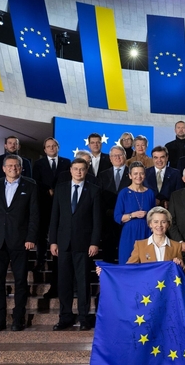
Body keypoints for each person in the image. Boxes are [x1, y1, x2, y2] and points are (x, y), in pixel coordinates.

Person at [96, 206, 183, 365]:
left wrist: (181, 264)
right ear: (150, 224)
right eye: (156, 222)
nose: (159, 225)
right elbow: (128, 269)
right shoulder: (140, 245)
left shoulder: (175, 246)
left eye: (163, 222)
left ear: (168, 225)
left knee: (164, 339)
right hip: (145, 304)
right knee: (144, 340)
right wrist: (107, 272)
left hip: (166, 304)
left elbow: (180, 276)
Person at [0, 154, 39, 332]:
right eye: (10, 166)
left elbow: (34, 215)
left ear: (21, 168)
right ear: (4, 168)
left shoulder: (30, 186)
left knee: (21, 281)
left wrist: (31, 238)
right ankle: (0, 319)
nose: (13, 168)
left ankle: (18, 319)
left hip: (21, 242)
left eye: (16, 166)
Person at [49, 158, 102, 331]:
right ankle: (65, 317)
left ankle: (84, 317)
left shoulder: (93, 190)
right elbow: (54, 217)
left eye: (82, 169)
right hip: (63, 243)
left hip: (84, 244)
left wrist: (94, 242)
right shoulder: (61, 188)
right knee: (64, 282)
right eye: (75, 169)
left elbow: (97, 220)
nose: (79, 172)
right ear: (70, 170)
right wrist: (53, 241)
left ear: (86, 171)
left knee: (83, 282)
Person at [32, 137, 71, 272]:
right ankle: (40, 261)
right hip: (44, 202)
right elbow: (35, 181)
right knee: (42, 234)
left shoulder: (66, 162)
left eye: (54, 146)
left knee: (60, 232)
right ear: (44, 149)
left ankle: (59, 260)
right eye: (49, 146)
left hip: (61, 203)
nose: (52, 148)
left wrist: (57, 191)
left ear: (58, 147)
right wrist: (48, 190)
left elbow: (68, 180)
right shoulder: (38, 163)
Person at [114, 161, 156, 265]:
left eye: (141, 173)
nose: (138, 176)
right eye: (135, 174)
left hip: (147, 232)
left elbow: (154, 215)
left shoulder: (150, 193)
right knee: (128, 262)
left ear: (145, 175)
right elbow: (117, 216)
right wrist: (133, 215)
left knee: (146, 263)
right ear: (130, 176)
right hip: (129, 233)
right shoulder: (124, 193)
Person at [99, 146, 132, 263]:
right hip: (108, 221)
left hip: (128, 220)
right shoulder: (102, 175)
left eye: (120, 155)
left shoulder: (133, 174)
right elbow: (100, 198)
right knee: (108, 254)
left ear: (125, 156)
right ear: (110, 158)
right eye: (114, 155)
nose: (117, 158)